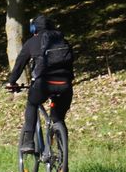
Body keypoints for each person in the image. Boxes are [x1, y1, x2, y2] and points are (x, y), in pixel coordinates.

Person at [5, 15, 74, 152]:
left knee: (32, 103)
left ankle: (28, 141)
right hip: (65, 84)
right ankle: (62, 157)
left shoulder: (32, 42)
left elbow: (19, 65)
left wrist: (11, 82)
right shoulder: (62, 41)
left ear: (34, 29)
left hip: (44, 84)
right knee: (58, 118)